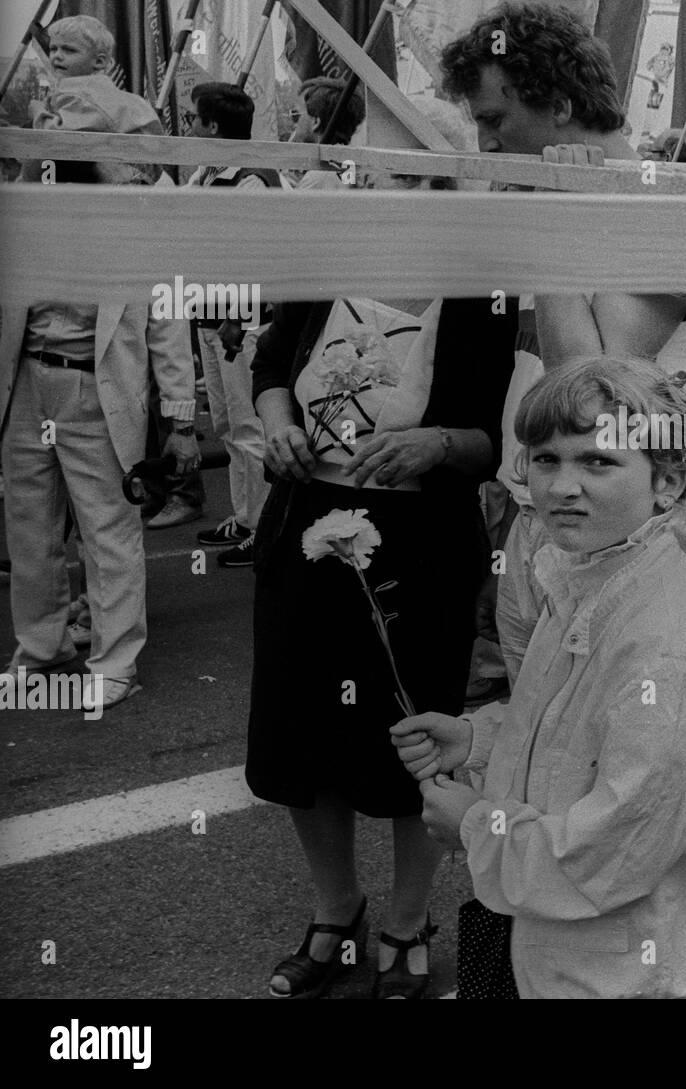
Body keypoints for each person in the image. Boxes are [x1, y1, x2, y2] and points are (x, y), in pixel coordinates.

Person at [391, 358, 686, 998]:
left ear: (666, 482)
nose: (562, 486)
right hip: (576, 951)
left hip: (625, 969)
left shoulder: (660, 637)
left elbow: (620, 844)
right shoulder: (590, 576)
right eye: (545, 459)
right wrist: (478, 740)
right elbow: (569, 726)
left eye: (598, 462)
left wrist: (478, 827)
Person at [246, 271, 516, 1000]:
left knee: (412, 732)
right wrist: (278, 426)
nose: (403, 191)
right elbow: (271, 365)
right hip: (305, 533)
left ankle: (407, 920)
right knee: (298, 731)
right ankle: (336, 910)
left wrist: (435, 443)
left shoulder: (477, 290)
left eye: (427, 178)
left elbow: (490, 438)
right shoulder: (332, 259)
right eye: (393, 172)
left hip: (419, 547)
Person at [438, 2, 686, 685]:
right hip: (554, 510)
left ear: (560, 104)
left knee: (614, 756)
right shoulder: (569, 195)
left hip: (629, 531)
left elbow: (587, 381)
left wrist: (551, 210)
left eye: (494, 120)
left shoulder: (662, 205)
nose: (485, 145)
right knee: (538, 732)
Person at [1, 14, 198, 711]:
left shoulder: (137, 209)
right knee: (29, 522)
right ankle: (42, 644)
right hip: (28, 378)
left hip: (94, 383)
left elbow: (169, 318)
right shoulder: (26, 200)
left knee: (106, 527)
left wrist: (179, 414)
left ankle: (116, 659)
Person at [180, 83, 278, 564]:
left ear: (213, 126)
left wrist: (237, 319)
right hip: (209, 315)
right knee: (225, 425)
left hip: (239, 322)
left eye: (195, 119)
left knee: (247, 426)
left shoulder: (251, 179)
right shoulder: (205, 173)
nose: (190, 127)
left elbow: (255, 256)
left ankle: (261, 529)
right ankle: (243, 516)